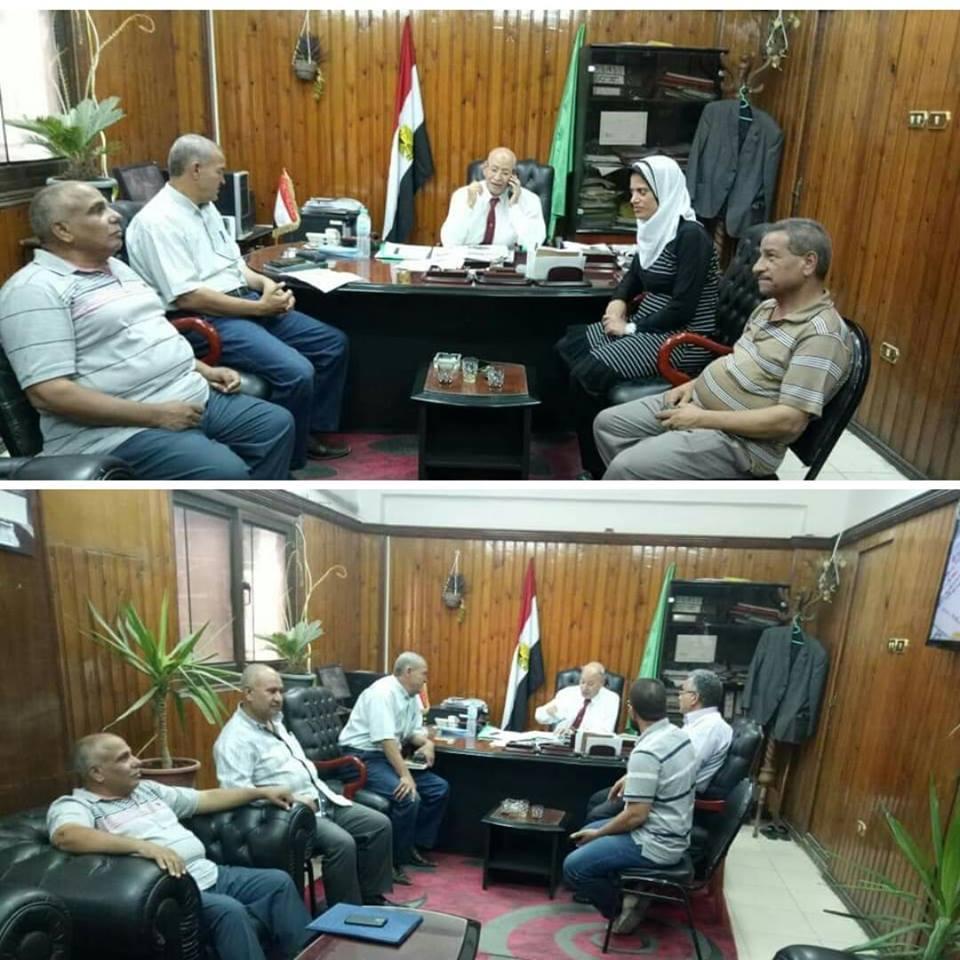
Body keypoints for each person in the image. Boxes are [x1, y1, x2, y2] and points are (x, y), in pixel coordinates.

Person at [0, 181, 294, 480]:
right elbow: (50, 394)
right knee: (225, 472)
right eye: (97, 211)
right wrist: (158, 415)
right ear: (63, 231)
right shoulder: (34, 290)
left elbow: (149, 335)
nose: (115, 215)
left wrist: (205, 370)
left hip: (187, 393)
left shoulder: (116, 268)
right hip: (118, 429)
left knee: (275, 424)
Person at [125, 134, 350, 471]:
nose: (223, 180)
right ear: (196, 169)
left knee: (332, 343)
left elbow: (236, 267)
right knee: (297, 371)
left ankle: (310, 430)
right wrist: (260, 308)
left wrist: (268, 287)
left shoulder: (207, 208)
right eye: (219, 171)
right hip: (205, 318)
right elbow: (189, 295)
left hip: (245, 303)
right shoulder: (157, 222)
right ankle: (289, 459)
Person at [593, 218, 853, 480]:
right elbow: (738, 362)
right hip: (700, 406)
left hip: (741, 443)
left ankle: (637, 485)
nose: (757, 267)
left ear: (808, 263)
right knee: (609, 425)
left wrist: (701, 419)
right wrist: (693, 385)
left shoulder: (821, 335)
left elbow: (789, 422)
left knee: (626, 467)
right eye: (760, 256)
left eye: (771, 257)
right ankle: (650, 494)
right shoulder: (768, 308)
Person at [48, 733, 311, 960]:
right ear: (96, 773)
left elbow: (205, 798)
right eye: (124, 758)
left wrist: (261, 792)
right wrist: (142, 847)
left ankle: (311, 954)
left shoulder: (147, 790)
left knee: (277, 882)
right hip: (176, 894)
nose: (137, 761)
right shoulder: (78, 805)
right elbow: (66, 835)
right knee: (230, 911)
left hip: (211, 873)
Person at [556, 156, 720, 478]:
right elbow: (634, 275)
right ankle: (584, 438)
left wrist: (630, 327)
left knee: (587, 374)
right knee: (567, 346)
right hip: (649, 324)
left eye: (643, 192)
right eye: (632, 192)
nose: (633, 200)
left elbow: (683, 308)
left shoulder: (691, 237)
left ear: (666, 192)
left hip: (681, 338)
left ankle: (597, 466)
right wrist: (618, 301)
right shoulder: (655, 228)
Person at [214, 665, 399, 907]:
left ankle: (372, 900)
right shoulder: (234, 740)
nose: (279, 698)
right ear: (248, 693)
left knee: (378, 825)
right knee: (341, 844)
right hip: (286, 814)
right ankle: (345, 916)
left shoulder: (275, 722)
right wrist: (289, 798)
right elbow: (235, 795)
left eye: (280, 691)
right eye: (271, 691)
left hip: (320, 797)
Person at [562, 679, 696, 935]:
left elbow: (635, 816)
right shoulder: (679, 736)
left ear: (631, 709)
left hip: (656, 843)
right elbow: (666, 773)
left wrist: (598, 835)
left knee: (574, 866)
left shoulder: (646, 752)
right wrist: (631, 777)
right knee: (591, 827)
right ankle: (634, 889)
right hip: (675, 832)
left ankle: (622, 909)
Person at [338, 652, 449, 877]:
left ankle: (411, 847)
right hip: (361, 758)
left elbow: (410, 734)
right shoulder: (382, 693)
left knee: (438, 788)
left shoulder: (411, 696)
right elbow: (386, 740)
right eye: (423, 674)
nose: (426, 679)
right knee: (408, 796)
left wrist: (427, 744)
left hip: (385, 758)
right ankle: (390, 862)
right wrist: (406, 776)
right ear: (408, 672)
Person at [585, 668, 732, 823]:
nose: (679, 696)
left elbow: (681, 770)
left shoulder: (709, 728)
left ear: (694, 698)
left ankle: (593, 835)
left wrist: (640, 777)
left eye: (682, 692)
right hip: (662, 788)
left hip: (670, 799)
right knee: (597, 799)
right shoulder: (699, 723)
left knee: (597, 813)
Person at [439, 146, 546, 249]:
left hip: (506, 259)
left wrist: (514, 206)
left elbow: (534, 244)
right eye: (494, 170)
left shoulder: (530, 200)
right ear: (485, 169)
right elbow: (449, 242)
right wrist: (468, 207)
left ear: (513, 175)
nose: (497, 177)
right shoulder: (463, 195)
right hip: (468, 258)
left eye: (505, 173)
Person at [533, 661, 620, 734]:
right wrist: (548, 713)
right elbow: (539, 716)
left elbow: (606, 732)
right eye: (582, 682)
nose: (584, 688)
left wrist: (574, 733)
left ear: (601, 683)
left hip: (591, 746)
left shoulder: (611, 699)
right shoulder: (568, 693)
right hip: (561, 743)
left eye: (590, 684)